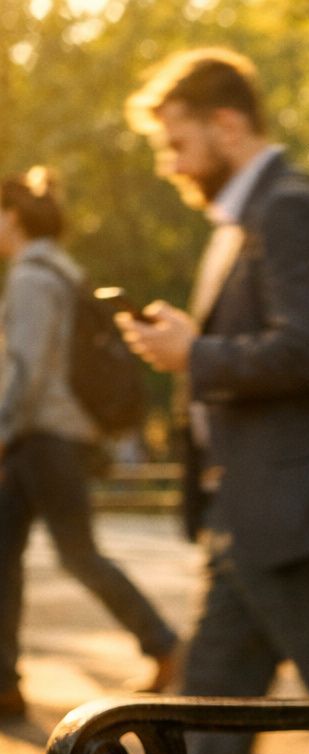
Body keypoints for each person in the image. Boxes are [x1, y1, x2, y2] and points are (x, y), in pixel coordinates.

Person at [116, 49, 309, 754]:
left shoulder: (289, 208)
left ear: (227, 124)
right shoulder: (246, 218)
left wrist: (193, 354)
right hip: (251, 519)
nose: (170, 163)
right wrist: (192, 343)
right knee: (199, 738)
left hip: (296, 521)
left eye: (177, 142)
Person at [0, 168, 179, 719]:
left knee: (76, 554)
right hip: (54, 435)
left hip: (40, 436)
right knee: (7, 556)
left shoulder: (32, 277)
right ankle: (3, 684)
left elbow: (24, 372)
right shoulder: (63, 270)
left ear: (12, 217)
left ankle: (164, 644)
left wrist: (1, 432)